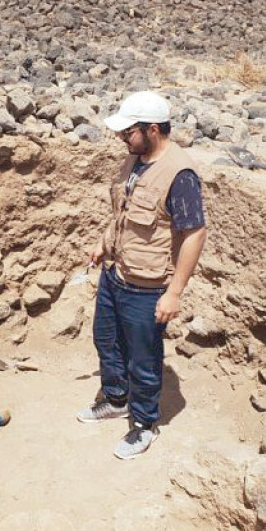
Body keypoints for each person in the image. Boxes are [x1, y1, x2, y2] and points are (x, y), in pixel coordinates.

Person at [78, 91, 207, 459]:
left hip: (147, 287)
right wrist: (103, 243)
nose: (122, 138)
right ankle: (116, 400)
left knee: (143, 359)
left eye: (128, 132)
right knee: (107, 341)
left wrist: (174, 292)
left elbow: (195, 233)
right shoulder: (134, 160)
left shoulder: (180, 175)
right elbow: (123, 212)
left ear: (152, 129)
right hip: (115, 274)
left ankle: (145, 424)